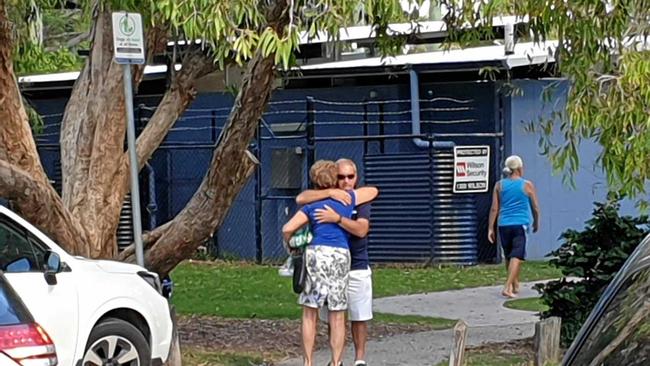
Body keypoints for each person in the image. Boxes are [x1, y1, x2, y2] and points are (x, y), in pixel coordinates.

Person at [282, 160, 378, 366]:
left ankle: (308, 362)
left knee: (310, 311)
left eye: (349, 177)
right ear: (334, 179)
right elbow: (372, 191)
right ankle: (336, 362)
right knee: (337, 313)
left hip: (316, 254)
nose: (345, 181)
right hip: (340, 256)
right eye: (340, 177)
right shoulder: (347, 200)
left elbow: (287, 227)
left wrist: (292, 244)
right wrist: (332, 195)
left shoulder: (312, 205)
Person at [488, 155, 541, 298]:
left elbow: (494, 208)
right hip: (519, 224)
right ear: (519, 168)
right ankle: (507, 287)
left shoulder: (499, 185)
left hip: (503, 224)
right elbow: (535, 207)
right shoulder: (526, 185)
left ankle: (515, 284)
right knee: (517, 255)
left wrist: (490, 228)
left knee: (509, 255)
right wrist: (536, 221)